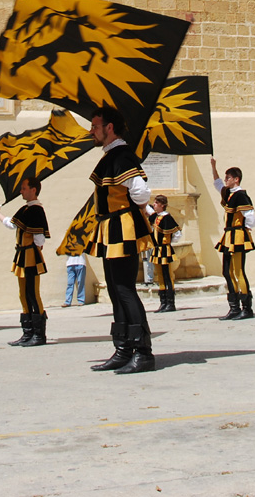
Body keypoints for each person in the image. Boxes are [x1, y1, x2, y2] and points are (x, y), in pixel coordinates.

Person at [86, 105, 155, 373]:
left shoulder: (123, 156)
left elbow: (142, 193)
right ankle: (123, 348)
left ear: (109, 128)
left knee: (125, 289)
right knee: (115, 290)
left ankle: (143, 351)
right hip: (111, 228)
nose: (92, 131)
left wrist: (130, 207)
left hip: (123, 227)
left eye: (95, 126)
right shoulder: (111, 156)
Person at [0, 178, 50, 347]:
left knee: (33, 293)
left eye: (24, 188)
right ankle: (28, 332)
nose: (21, 191)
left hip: (31, 256)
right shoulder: (25, 209)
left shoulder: (36, 210)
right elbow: (12, 224)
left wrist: (35, 248)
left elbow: (39, 238)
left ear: (33, 190)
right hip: (22, 256)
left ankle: (39, 334)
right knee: (23, 293)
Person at [211, 157, 255, 319]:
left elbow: (250, 216)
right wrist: (213, 166)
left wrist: (246, 228)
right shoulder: (228, 194)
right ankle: (234, 307)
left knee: (239, 271)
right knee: (227, 271)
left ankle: (246, 308)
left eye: (228, 178)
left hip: (237, 235)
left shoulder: (241, 195)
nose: (226, 180)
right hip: (229, 236)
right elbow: (217, 184)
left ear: (236, 179)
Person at [150, 195, 182, 312]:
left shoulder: (167, 218)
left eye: (156, 203)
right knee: (160, 276)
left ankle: (170, 302)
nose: (154, 204)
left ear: (162, 205)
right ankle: (163, 302)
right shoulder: (155, 217)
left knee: (167, 275)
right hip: (157, 249)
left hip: (165, 249)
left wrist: (168, 242)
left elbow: (177, 234)